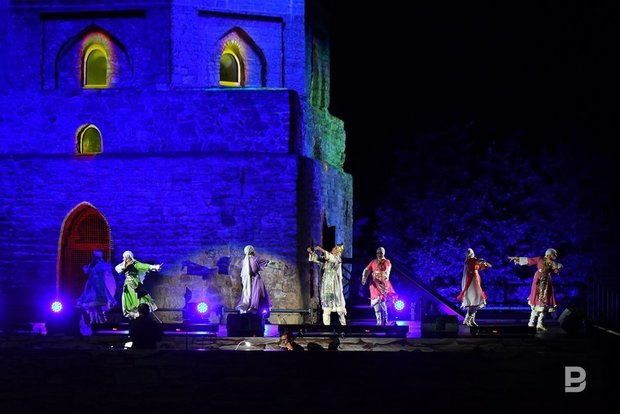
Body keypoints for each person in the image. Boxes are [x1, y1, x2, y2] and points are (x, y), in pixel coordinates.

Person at [508, 248, 563, 331]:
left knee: (544, 305)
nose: (555, 256)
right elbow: (530, 260)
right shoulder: (540, 259)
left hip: (546, 283)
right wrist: (518, 259)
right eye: (554, 254)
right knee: (536, 303)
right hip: (538, 282)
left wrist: (557, 269)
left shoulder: (552, 263)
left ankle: (539, 324)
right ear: (549, 254)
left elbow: (557, 270)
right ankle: (531, 323)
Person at [115, 250, 161, 319]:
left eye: (124, 257)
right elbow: (117, 268)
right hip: (127, 286)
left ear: (128, 257)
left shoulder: (135, 264)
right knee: (129, 300)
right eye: (123, 257)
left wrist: (154, 267)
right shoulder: (124, 264)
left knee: (139, 298)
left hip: (135, 284)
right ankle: (133, 316)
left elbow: (144, 266)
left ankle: (140, 314)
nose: (123, 259)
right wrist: (124, 265)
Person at [308, 244, 347, 325]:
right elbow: (318, 259)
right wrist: (311, 252)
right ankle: (326, 327)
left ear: (338, 251)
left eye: (335, 248)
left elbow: (331, 258)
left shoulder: (337, 259)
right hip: (326, 284)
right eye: (334, 247)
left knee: (339, 307)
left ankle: (343, 325)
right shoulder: (327, 258)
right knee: (326, 307)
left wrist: (320, 249)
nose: (333, 248)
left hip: (334, 285)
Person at [77, 250, 116, 324]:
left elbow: (107, 271)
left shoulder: (101, 265)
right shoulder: (92, 265)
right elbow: (87, 271)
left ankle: (101, 320)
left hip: (99, 285)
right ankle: (94, 321)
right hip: (92, 285)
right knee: (92, 304)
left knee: (98, 304)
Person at [456, 248, 492, 327]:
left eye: (469, 253)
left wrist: (483, 263)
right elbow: (475, 263)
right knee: (473, 300)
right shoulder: (469, 261)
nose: (468, 254)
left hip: (475, 281)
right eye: (467, 253)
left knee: (475, 301)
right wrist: (480, 261)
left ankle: (471, 320)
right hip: (471, 282)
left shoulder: (473, 260)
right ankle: (468, 320)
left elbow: (483, 265)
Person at [362, 247, 397, 326]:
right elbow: (367, 270)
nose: (379, 254)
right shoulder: (373, 262)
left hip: (383, 285)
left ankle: (385, 320)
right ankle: (378, 321)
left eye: (381, 253)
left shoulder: (386, 261)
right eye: (378, 253)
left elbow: (388, 269)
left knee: (382, 303)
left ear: (383, 253)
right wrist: (364, 277)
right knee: (376, 304)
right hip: (374, 285)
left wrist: (386, 275)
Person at [236, 245, 272, 315]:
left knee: (251, 296)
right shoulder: (255, 259)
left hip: (248, 283)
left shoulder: (244, 261)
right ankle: (256, 311)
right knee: (258, 297)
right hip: (256, 281)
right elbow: (267, 263)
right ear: (252, 251)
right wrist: (279, 265)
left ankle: (251, 310)